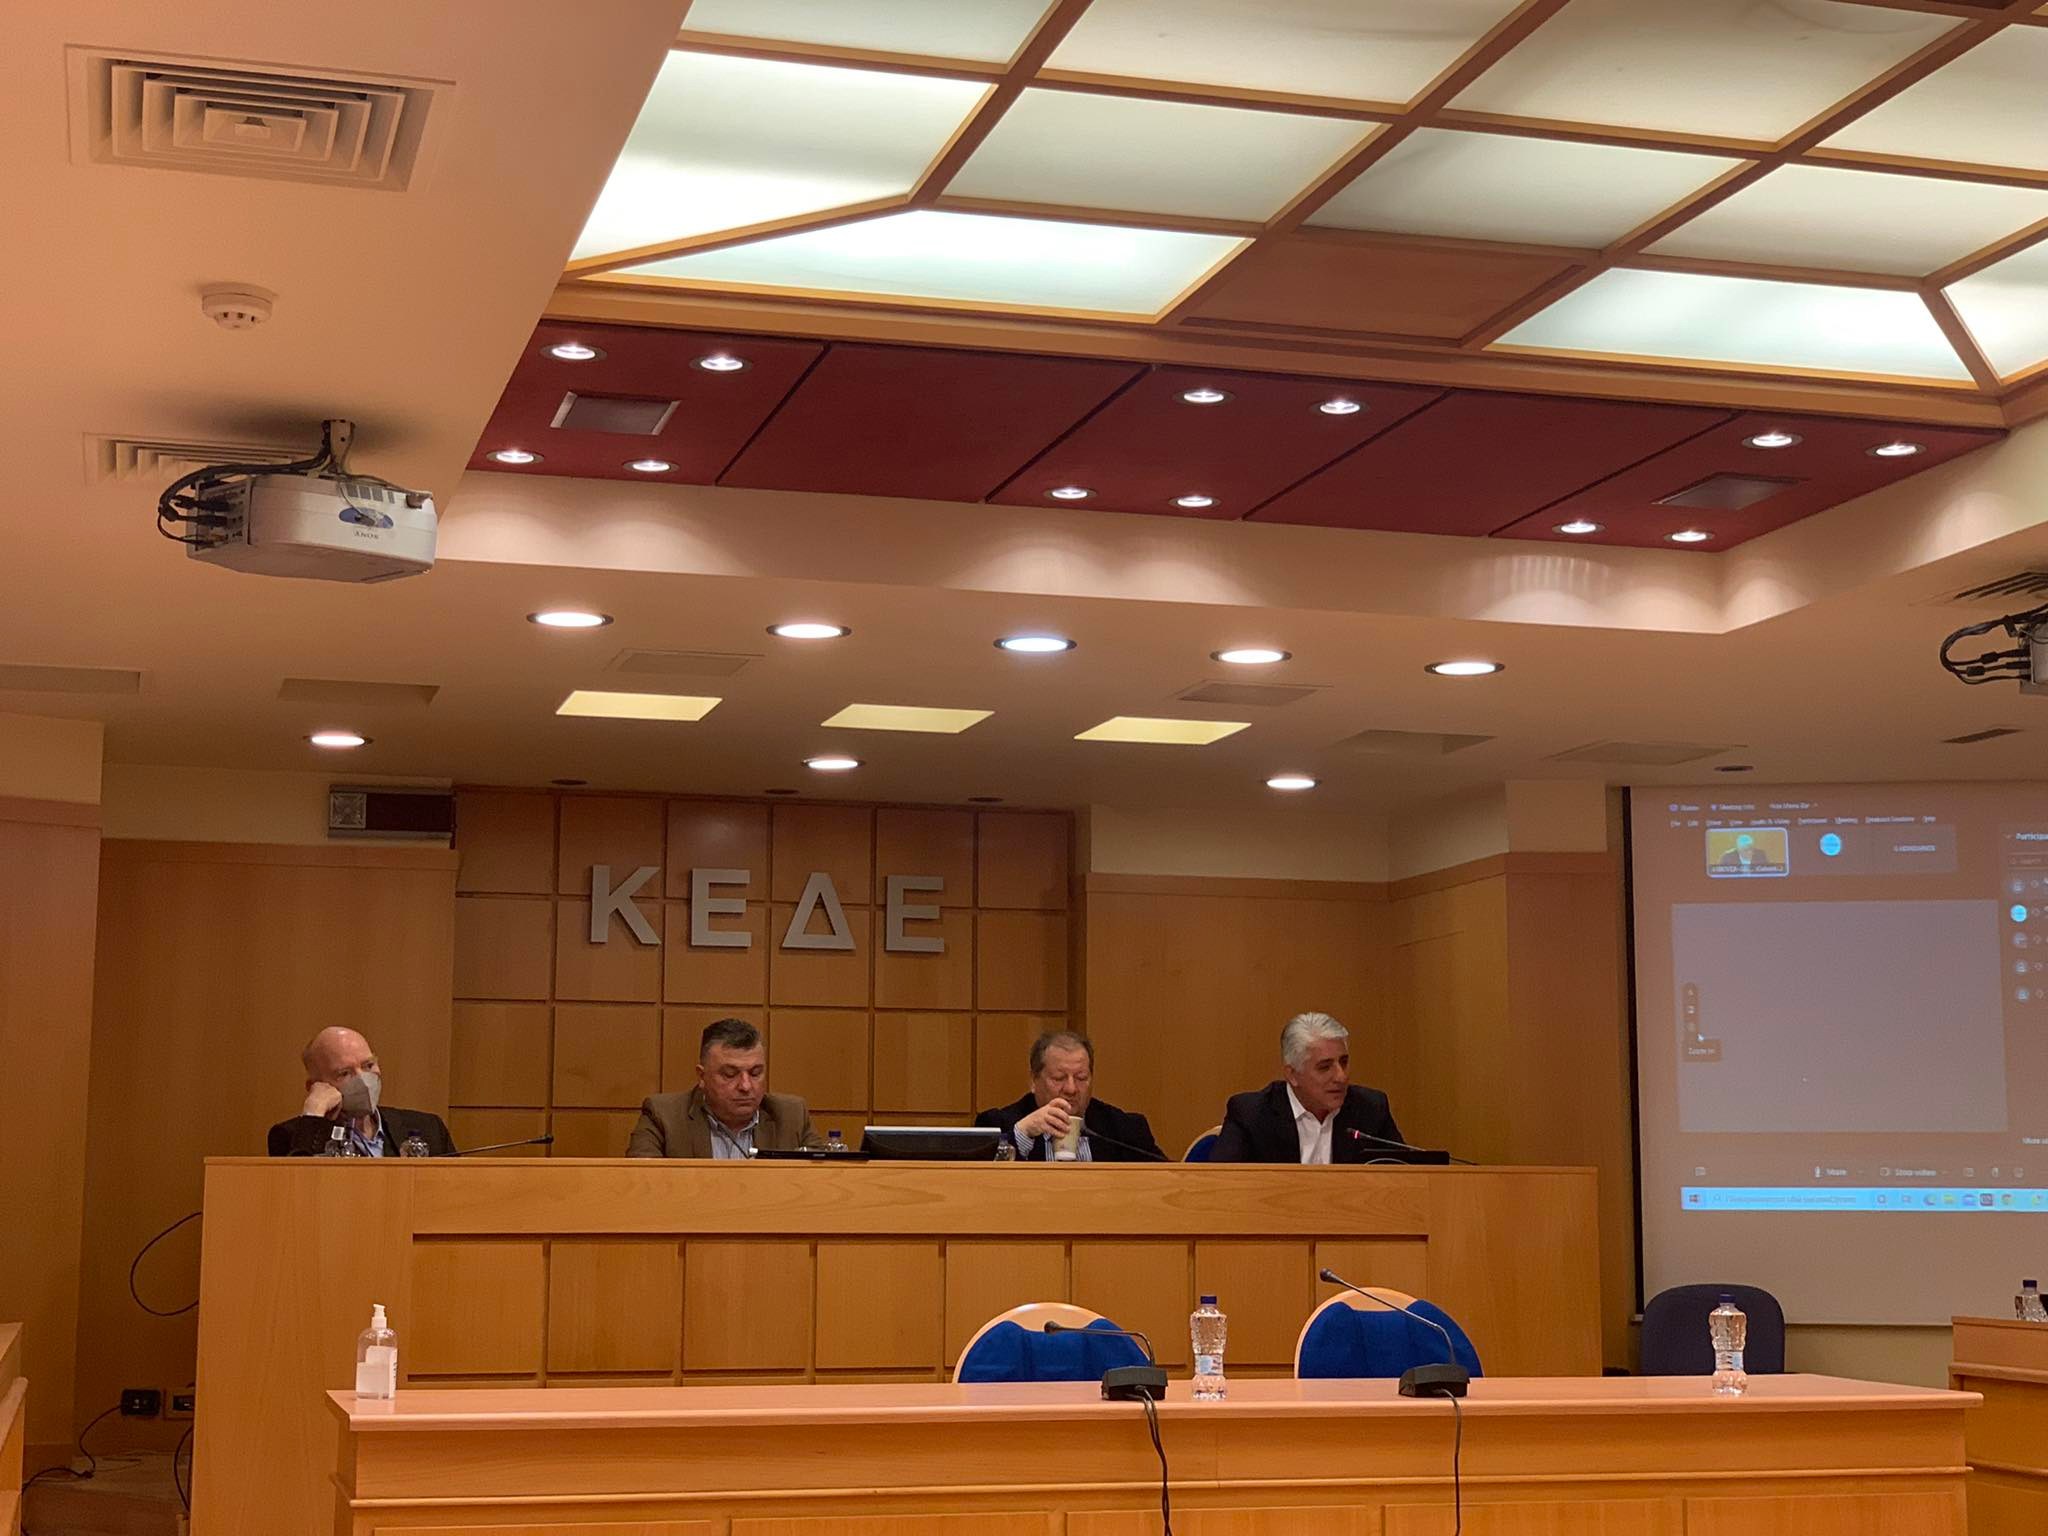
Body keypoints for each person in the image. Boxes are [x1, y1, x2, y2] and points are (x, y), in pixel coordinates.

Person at [1211, 1012, 1405, 1165]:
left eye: (1343, 1062)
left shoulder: (1371, 1109)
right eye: (1325, 1067)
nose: (1341, 1077)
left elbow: (1406, 1178)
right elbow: (1219, 1184)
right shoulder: (1251, 1114)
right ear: (1292, 1075)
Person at [626, 1017, 824, 1158]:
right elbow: (642, 1185)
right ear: (702, 1076)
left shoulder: (791, 1116)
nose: (746, 1086)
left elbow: (825, 1183)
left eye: (755, 1073)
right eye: (730, 1074)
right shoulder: (663, 1116)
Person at [975, 1029, 1163, 1162]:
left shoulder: (1125, 1130)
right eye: (1059, 1078)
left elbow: (1168, 1179)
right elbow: (977, 1182)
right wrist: (1022, 1134)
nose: (1071, 1089)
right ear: (1034, 1081)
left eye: (1081, 1078)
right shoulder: (998, 1125)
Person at [268, 1026, 457, 1156]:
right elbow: (296, 1190)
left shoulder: (428, 1128)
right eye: (344, 1073)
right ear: (316, 1086)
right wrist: (313, 1113)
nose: (363, 1080)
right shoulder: (290, 1136)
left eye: (368, 1065)